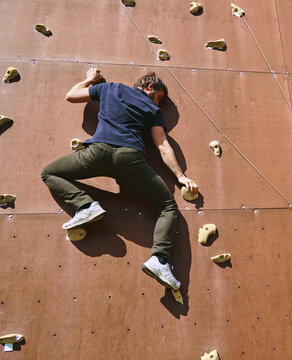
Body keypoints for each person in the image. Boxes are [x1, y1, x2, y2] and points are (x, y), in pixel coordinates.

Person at [41, 68, 198, 291]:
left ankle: (85, 206)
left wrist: (89, 79)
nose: (159, 102)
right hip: (130, 159)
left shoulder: (109, 88)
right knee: (167, 206)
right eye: (159, 96)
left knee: (49, 173)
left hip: (99, 152)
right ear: (151, 87)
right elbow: (162, 145)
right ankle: (159, 260)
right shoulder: (152, 109)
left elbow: (72, 95)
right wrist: (180, 177)